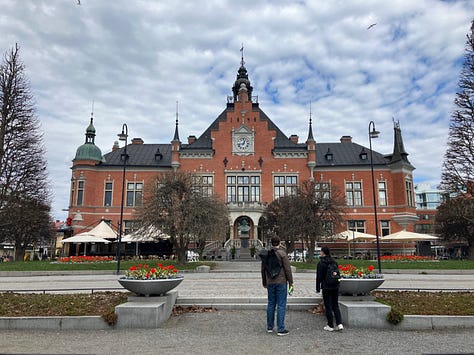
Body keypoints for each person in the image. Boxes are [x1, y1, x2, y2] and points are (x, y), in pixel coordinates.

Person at [261, 236, 293, 336]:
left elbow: (263, 269)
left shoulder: (267, 254)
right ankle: (280, 328)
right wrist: (291, 282)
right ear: (279, 243)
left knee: (271, 303)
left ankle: (270, 327)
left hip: (270, 281)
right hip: (281, 281)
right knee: (281, 304)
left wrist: (264, 281)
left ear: (271, 243)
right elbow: (288, 269)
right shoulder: (282, 254)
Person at [316, 246, 343, 332]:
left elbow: (319, 277)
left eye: (321, 251)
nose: (320, 252)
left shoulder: (321, 263)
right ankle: (339, 323)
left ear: (323, 252)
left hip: (326, 286)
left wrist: (318, 288)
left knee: (328, 306)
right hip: (335, 286)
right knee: (335, 305)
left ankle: (330, 325)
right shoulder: (334, 262)